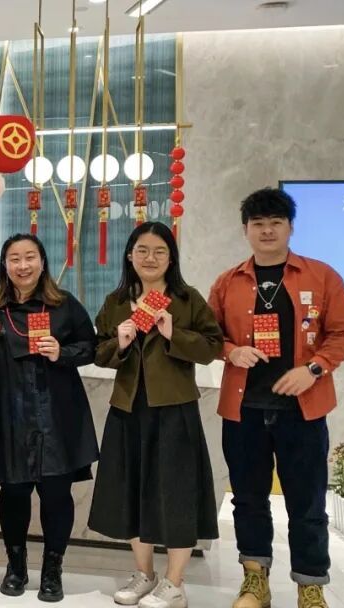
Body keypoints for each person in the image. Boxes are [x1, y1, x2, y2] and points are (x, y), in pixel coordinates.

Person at [208, 188, 344, 608]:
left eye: (276, 222)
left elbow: (343, 332)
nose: (267, 231)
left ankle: (310, 586)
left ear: (291, 227)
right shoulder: (228, 282)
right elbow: (208, 335)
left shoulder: (321, 276)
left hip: (302, 412)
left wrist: (313, 369)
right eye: (258, 224)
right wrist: (230, 351)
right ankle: (255, 581)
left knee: (307, 503)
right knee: (247, 500)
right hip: (244, 410)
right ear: (246, 230)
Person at [88, 221, 223, 608]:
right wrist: (120, 342)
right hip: (128, 409)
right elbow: (98, 351)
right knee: (132, 491)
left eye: (160, 251)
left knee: (176, 494)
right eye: (142, 250)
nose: (150, 258)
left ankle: (174, 582)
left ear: (171, 258)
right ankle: (144, 574)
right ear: (130, 255)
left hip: (174, 410)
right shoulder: (117, 301)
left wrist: (172, 333)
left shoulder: (186, 298)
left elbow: (212, 346)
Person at [0, 234, 98, 602]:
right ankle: (16, 567)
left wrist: (62, 352)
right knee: (13, 491)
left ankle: (52, 570)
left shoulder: (64, 304)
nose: (23, 265)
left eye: (30, 257)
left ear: (42, 262)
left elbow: (91, 347)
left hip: (57, 411)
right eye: (14, 258)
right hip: (11, 411)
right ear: (5, 265)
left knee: (56, 492)